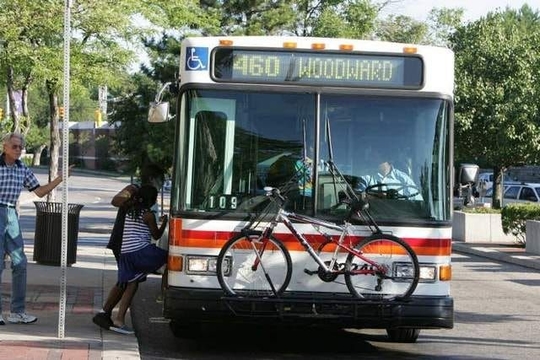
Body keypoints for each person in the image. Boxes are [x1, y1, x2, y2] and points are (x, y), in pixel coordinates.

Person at [0, 132, 72, 325]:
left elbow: (39, 191)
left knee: (20, 262)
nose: (18, 150)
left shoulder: (22, 168)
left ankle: (17, 311)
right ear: (4, 147)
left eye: (20, 148)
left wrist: (59, 179)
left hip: (11, 213)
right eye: (14, 146)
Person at [93, 163, 165, 331]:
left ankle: (107, 313)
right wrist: (132, 199)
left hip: (134, 242)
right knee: (127, 281)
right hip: (124, 241)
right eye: (161, 179)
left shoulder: (148, 195)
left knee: (129, 280)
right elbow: (116, 201)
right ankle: (107, 313)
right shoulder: (134, 189)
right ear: (153, 178)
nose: (162, 184)